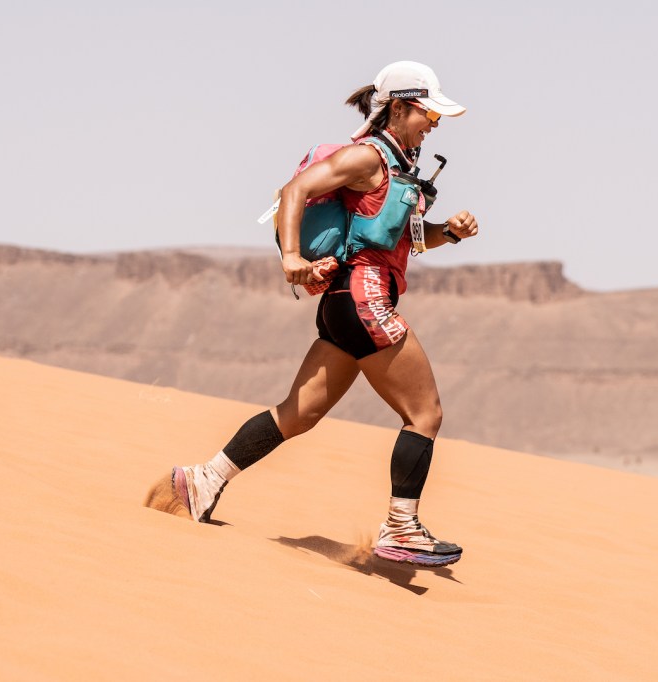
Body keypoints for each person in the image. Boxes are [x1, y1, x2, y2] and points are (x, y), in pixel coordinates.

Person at [158, 61, 478, 567]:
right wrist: (291, 257)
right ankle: (401, 528)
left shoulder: (398, 168)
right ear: (398, 108)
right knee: (425, 414)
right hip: (364, 299)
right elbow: (296, 191)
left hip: (343, 304)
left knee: (297, 414)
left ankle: (202, 481)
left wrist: (450, 233)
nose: (433, 124)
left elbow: (408, 242)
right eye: (428, 114)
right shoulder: (367, 157)